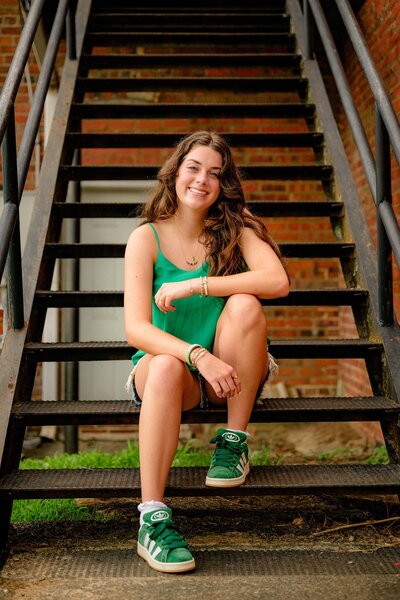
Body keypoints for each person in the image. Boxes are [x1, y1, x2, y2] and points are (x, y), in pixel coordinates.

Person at [124, 131, 289, 574]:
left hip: (228, 376)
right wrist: (197, 355)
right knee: (161, 367)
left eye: (215, 173)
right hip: (171, 374)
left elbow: (277, 281)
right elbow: (136, 329)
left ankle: (234, 441)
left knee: (246, 303)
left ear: (224, 184)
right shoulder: (146, 238)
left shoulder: (236, 227)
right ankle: (152, 519)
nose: (202, 180)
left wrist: (199, 284)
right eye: (194, 167)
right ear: (176, 172)